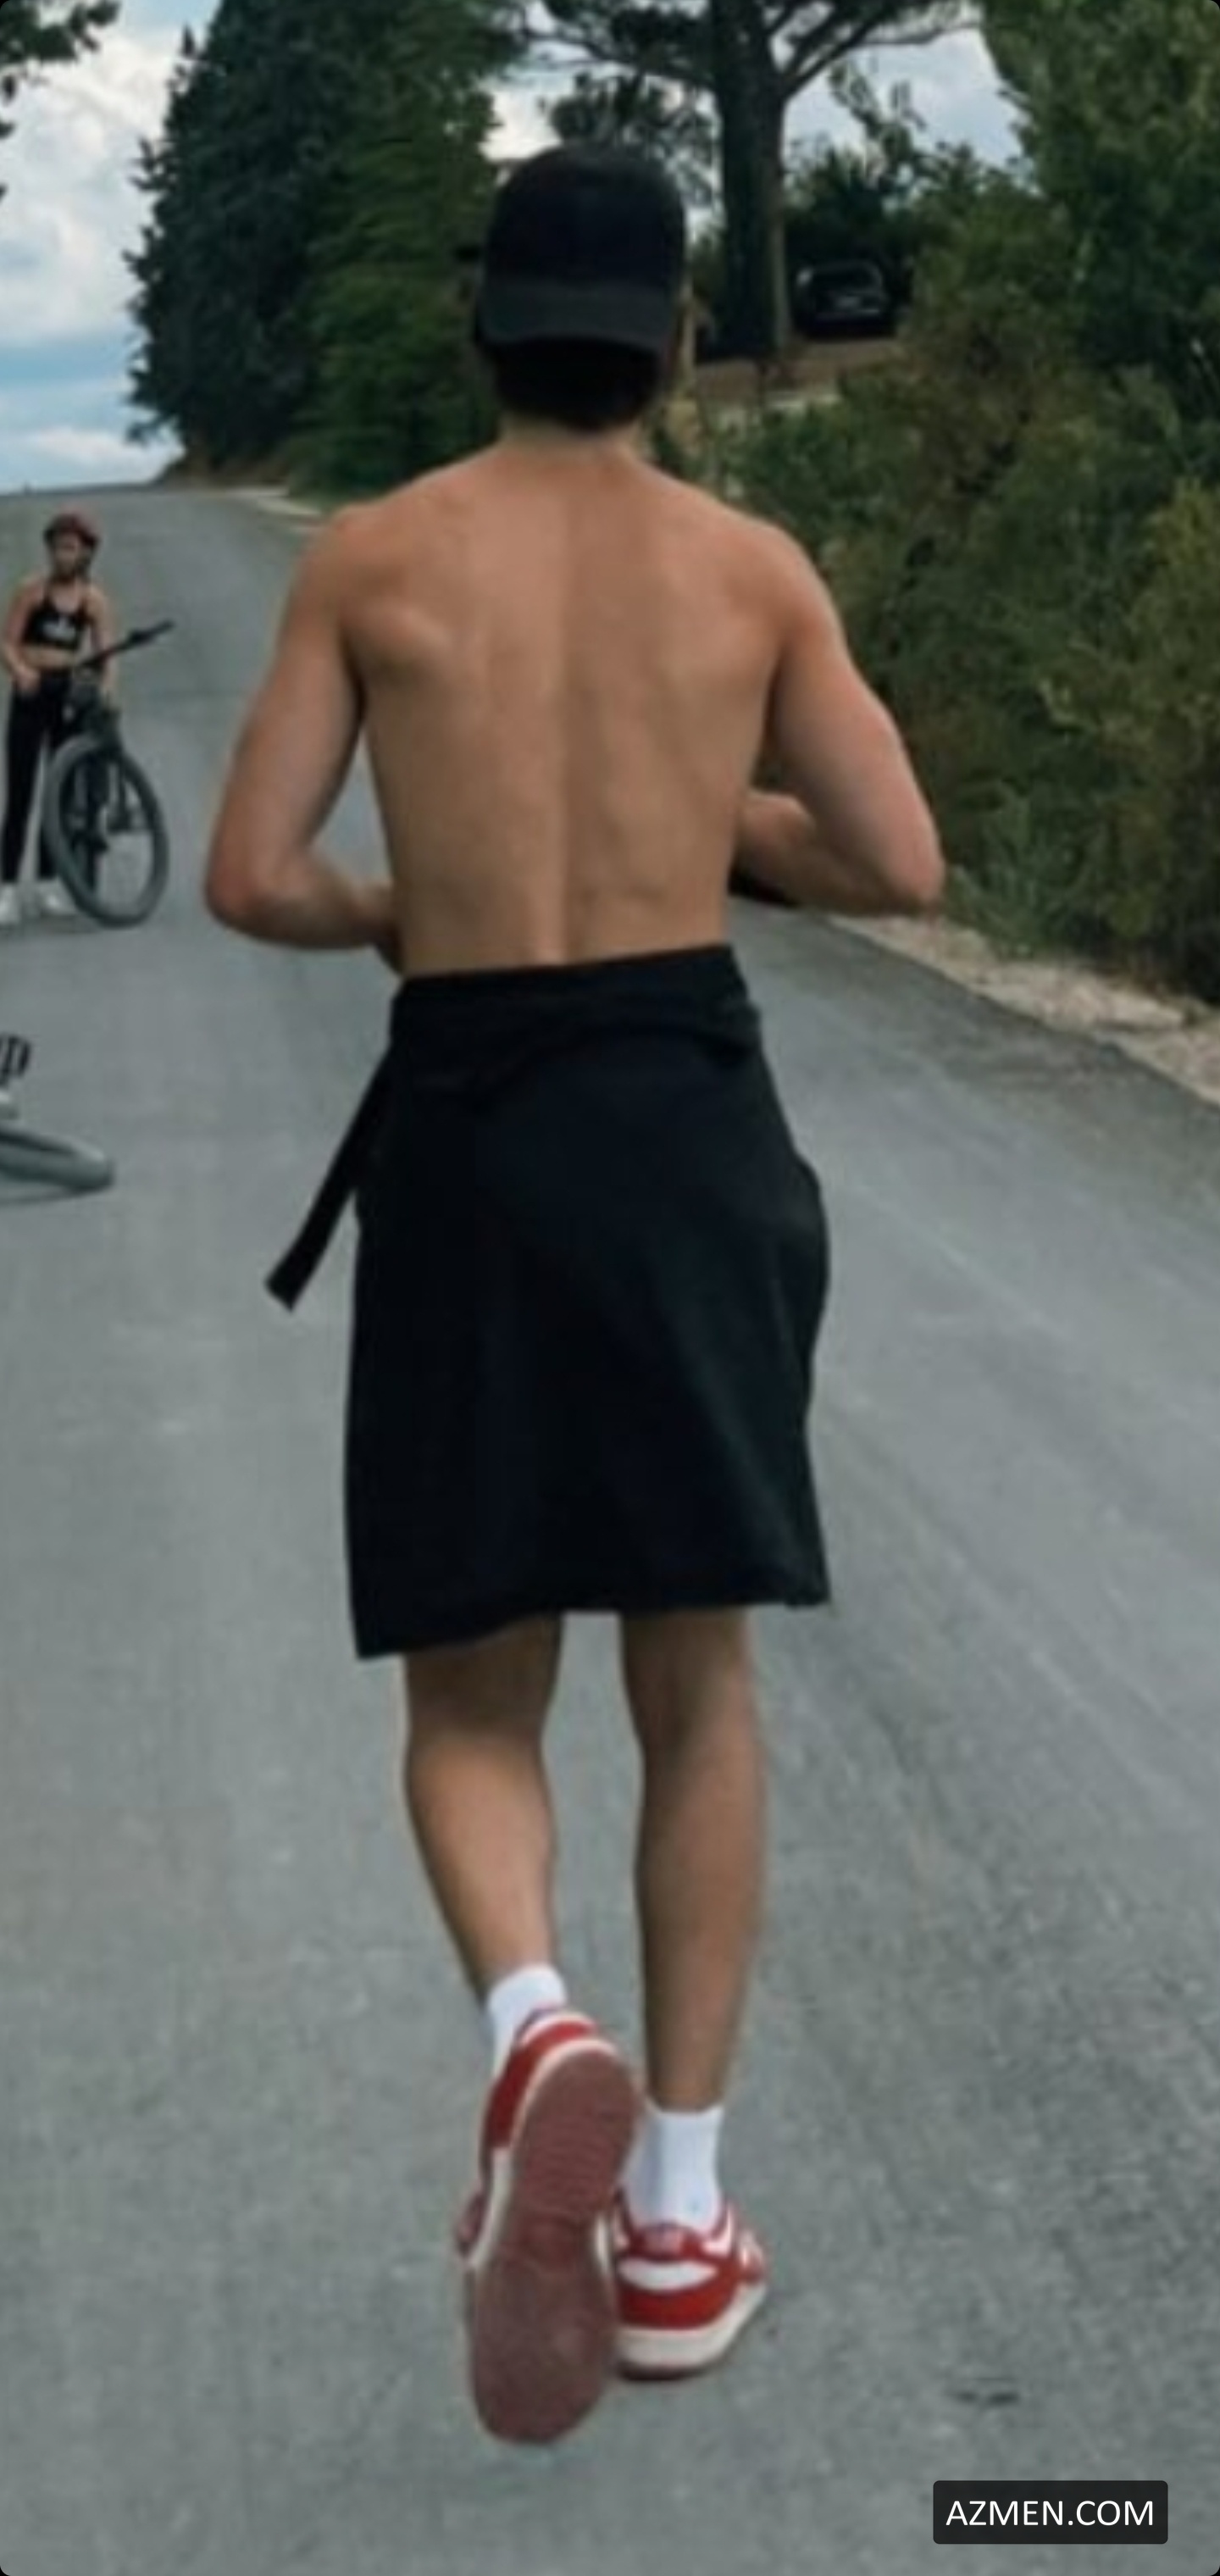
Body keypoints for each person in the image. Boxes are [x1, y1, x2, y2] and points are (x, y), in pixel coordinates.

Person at [204, 144, 944, 2449]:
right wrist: (706, 820)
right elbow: (899, 861)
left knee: (471, 1684)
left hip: (474, 1122)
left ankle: (535, 2029)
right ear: (676, 337)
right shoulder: (748, 569)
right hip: (683, 1118)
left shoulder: (372, 556)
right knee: (694, 1674)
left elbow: (250, 875)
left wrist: (400, 911)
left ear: (485, 329)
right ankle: (683, 2224)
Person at [0, 506, 116, 929]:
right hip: (32, 693)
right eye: (57, 548)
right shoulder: (32, 592)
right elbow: (7, 642)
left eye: (70, 548)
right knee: (20, 793)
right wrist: (20, 670)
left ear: (86, 553)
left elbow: (106, 655)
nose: (62, 555)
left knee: (59, 794)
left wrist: (106, 690)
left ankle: (50, 883)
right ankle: (7, 889)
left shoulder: (93, 601)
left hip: (68, 695)